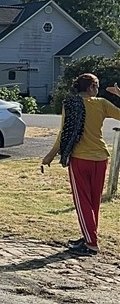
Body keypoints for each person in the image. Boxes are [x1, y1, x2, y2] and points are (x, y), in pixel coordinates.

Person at [41, 73, 120, 254]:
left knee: (82, 201)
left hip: (80, 159)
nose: (98, 89)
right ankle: (88, 236)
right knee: (93, 203)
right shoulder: (102, 103)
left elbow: (64, 133)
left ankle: (91, 243)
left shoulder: (70, 104)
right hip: (101, 159)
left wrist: (51, 155)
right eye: (97, 86)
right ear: (91, 87)